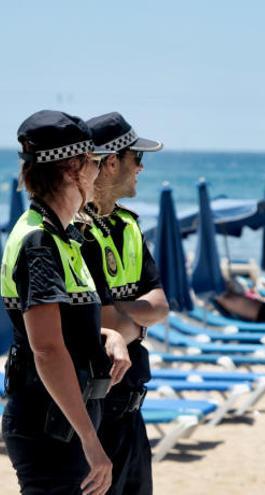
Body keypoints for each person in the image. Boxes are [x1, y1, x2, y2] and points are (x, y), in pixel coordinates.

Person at [2, 110, 129, 495]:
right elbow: (46, 349)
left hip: (61, 420)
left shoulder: (62, 235)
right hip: (50, 426)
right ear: (73, 168)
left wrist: (108, 334)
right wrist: (91, 441)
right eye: (92, 162)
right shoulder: (40, 242)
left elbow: (60, 326)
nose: (98, 172)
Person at [78, 112, 171, 495]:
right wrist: (135, 316)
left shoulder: (128, 226)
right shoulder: (75, 231)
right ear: (112, 161)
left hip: (131, 410)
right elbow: (96, 320)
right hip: (93, 409)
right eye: (136, 157)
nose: (142, 166)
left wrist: (126, 317)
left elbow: (162, 303)